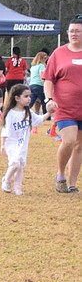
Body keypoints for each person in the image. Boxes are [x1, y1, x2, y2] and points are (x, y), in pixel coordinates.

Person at [44, 15, 82, 194]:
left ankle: (72, 183)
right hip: (64, 107)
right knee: (68, 141)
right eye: (71, 31)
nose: (74, 34)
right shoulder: (59, 53)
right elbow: (48, 79)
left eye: (78, 31)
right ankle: (60, 175)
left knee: (79, 145)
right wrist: (48, 99)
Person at [0, 83, 44, 195]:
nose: (29, 99)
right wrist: (2, 145)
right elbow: (5, 131)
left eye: (29, 96)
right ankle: (6, 180)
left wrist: (50, 113)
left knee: (21, 166)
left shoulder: (28, 112)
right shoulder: (10, 113)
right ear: (17, 98)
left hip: (23, 144)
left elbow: (39, 119)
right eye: (26, 96)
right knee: (15, 163)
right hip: (11, 143)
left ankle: (18, 188)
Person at [29, 49, 49, 115]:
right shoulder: (41, 66)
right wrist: (45, 86)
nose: (46, 59)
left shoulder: (33, 66)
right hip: (39, 85)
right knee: (44, 100)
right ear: (42, 58)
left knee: (31, 100)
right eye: (45, 58)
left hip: (32, 85)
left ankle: (25, 111)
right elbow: (42, 77)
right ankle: (46, 115)